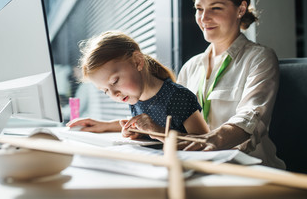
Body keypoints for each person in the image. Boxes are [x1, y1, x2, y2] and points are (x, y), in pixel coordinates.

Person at [172, 0, 285, 169]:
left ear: (241, 9)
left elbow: (251, 117)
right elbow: (174, 119)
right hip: (202, 167)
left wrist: (214, 139)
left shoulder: (259, 58)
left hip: (250, 171)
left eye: (215, 8)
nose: (204, 18)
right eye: (199, 9)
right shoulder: (190, 67)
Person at [66, 31, 209, 138]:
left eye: (115, 81)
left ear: (137, 62)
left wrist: (158, 132)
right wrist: (105, 126)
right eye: (105, 91)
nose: (113, 94)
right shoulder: (135, 97)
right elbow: (146, 121)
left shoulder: (178, 97)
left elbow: (204, 140)